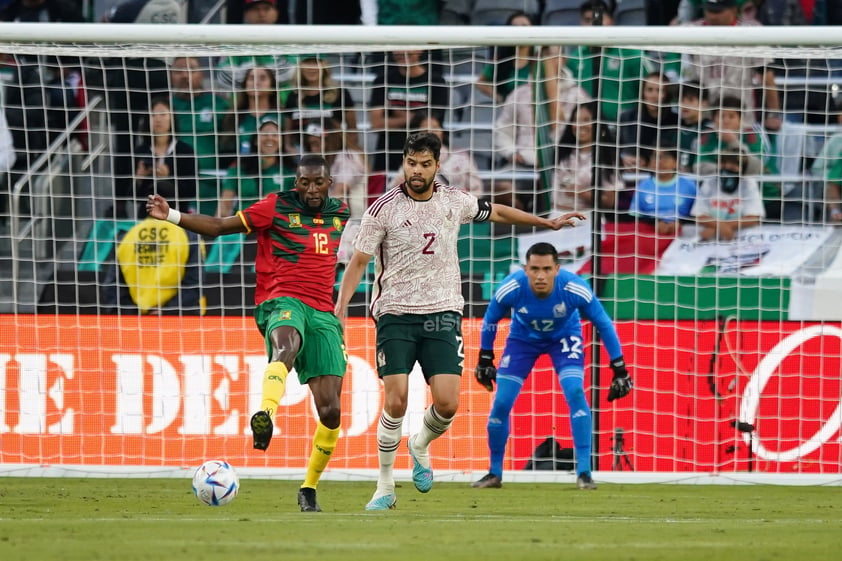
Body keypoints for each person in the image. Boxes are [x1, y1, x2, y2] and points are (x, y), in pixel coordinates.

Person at [334, 132, 585, 511]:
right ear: (404, 162)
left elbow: (497, 210)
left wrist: (546, 224)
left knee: (448, 405)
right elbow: (358, 263)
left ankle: (419, 444)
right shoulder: (381, 209)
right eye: (411, 163)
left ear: (437, 166)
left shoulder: (455, 201)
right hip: (395, 315)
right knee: (397, 399)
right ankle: (385, 484)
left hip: (443, 312)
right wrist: (340, 309)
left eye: (425, 164)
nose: (416, 171)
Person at [146, 154, 350, 513]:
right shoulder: (275, 206)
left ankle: (309, 488)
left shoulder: (341, 213)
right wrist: (173, 215)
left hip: (323, 312)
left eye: (318, 182)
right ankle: (265, 415)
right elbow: (220, 225)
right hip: (282, 299)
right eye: (305, 182)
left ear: (329, 182)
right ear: (296, 181)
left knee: (331, 410)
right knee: (285, 345)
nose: (311, 189)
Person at [471, 242, 632, 490]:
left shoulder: (575, 287)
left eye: (547, 269)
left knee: (576, 393)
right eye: (535, 269)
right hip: (522, 341)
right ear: (525, 269)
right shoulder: (511, 287)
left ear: (557, 269)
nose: (540, 275)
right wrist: (484, 357)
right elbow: (491, 318)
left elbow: (603, 324)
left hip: (564, 338)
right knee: (502, 402)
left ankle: (584, 472)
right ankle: (494, 473)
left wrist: (619, 368)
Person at [100, 214, 205, 316]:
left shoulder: (128, 236)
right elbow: (195, 282)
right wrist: (167, 310)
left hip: (138, 323)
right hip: (181, 319)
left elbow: (112, 286)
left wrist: (134, 313)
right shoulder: (187, 235)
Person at [170, 56, 231, 217]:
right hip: (175, 183)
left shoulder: (218, 104)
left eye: (191, 69)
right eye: (179, 70)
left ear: (202, 74)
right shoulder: (164, 107)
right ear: (170, 75)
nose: (185, 75)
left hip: (211, 185)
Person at [133, 97, 197, 219]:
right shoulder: (140, 151)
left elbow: (191, 191)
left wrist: (169, 177)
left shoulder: (185, 151)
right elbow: (132, 197)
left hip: (177, 216)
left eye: (163, 114)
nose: (158, 119)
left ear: (172, 118)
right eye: (153, 115)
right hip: (146, 219)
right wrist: (139, 179)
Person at [390, 113, 483, 197]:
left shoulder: (461, 157)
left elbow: (477, 190)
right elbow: (394, 188)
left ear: (442, 131)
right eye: (426, 130)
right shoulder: (411, 160)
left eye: (435, 128)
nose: (431, 134)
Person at [218, 118, 295, 217]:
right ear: (255, 140)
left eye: (275, 135)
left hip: (274, 226)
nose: (270, 138)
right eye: (265, 134)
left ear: (281, 141)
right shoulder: (238, 169)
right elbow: (225, 205)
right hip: (242, 225)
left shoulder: (289, 172)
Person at [691, 148, 765, 240]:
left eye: (733, 165)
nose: (727, 167)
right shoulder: (709, 182)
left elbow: (754, 217)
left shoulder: (749, 184)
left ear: (742, 168)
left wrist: (720, 227)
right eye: (723, 163)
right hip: (711, 237)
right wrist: (720, 227)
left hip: (741, 236)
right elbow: (699, 214)